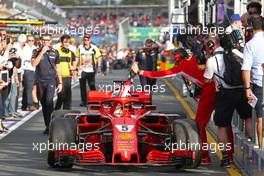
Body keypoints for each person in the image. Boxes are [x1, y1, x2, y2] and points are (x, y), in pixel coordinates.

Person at [204, 35, 252, 167]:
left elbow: (207, 79)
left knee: (222, 125)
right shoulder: (240, 55)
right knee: (248, 118)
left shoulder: (212, 60)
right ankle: (252, 148)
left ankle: (225, 158)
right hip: (242, 91)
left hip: (224, 95)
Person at [31, 34, 62, 134]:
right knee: (44, 104)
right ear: (41, 41)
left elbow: (58, 68)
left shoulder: (55, 52)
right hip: (40, 81)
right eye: (43, 40)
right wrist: (42, 52)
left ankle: (51, 125)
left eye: (47, 40)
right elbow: (34, 64)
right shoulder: (36, 51)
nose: (45, 42)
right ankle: (47, 125)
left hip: (51, 81)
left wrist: (60, 82)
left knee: (49, 102)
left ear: (50, 41)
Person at [241, 15, 264, 148]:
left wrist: (247, 89)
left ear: (250, 27)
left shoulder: (250, 45)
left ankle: (261, 149)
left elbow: (245, 69)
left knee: (260, 118)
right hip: (260, 84)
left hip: (259, 85)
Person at [76, 34, 101, 107]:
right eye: (84, 40)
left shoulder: (94, 48)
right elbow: (77, 57)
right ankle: (84, 102)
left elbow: (99, 57)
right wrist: (76, 68)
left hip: (91, 70)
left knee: (92, 86)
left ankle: (94, 101)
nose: (86, 41)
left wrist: (99, 67)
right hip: (82, 70)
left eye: (87, 40)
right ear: (83, 40)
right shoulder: (80, 48)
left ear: (90, 40)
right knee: (82, 87)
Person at [55, 34, 77, 110]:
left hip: (68, 77)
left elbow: (74, 66)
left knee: (67, 98)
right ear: (61, 43)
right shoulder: (56, 52)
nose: (67, 44)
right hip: (58, 77)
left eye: (68, 42)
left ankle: (66, 115)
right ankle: (56, 113)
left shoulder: (71, 53)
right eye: (65, 42)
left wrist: (73, 68)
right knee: (61, 96)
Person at [4, 49, 21, 118]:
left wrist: (16, 78)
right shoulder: (4, 57)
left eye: (13, 53)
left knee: (14, 95)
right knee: (7, 96)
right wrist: (8, 58)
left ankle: (12, 111)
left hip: (12, 78)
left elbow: (15, 67)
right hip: (5, 77)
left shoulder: (13, 59)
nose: (12, 54)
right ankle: (5, 112)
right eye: (11, 53)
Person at [21, 35, 37, 111]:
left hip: (34, 70)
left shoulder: (35, 48)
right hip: (27, 70)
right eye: (29, 40)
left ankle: (24, 105)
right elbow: (23, 61)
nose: (30, 42)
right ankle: (29, 105)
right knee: (29, 88)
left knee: (29, 88)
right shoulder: (25, 49)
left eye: (32, 40)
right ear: (27, 41)